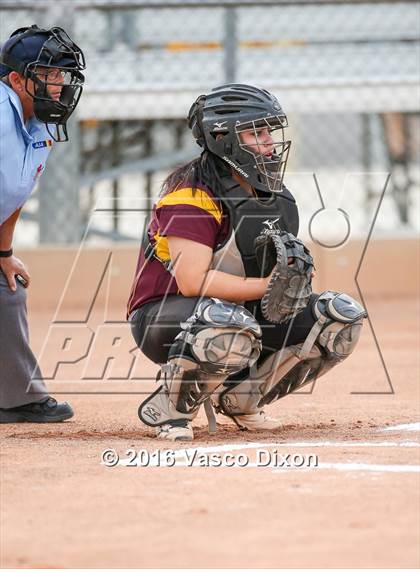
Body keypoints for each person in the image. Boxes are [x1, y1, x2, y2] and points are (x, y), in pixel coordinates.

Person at [128, 84, 366, 441]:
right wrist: (269, 286)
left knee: (338, 319)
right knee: (227, 323)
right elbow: (193, 282)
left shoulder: (274, 195)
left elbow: (269, 272)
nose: (269, 141)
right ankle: (171, 406)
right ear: (222, 136)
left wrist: (293, 284)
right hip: (164, 316)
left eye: (269, 130)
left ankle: (243, 396)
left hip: (237, 310)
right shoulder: (190, 194)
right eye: (256, 131)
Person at [0, 25, 85, 422]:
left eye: (62, 76)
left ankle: (17, 399)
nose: (59, 85)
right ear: (17, 79)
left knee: (7, 290)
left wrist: (4, 252)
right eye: (48, 75)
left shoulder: (42, 124)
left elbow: (15, 192)